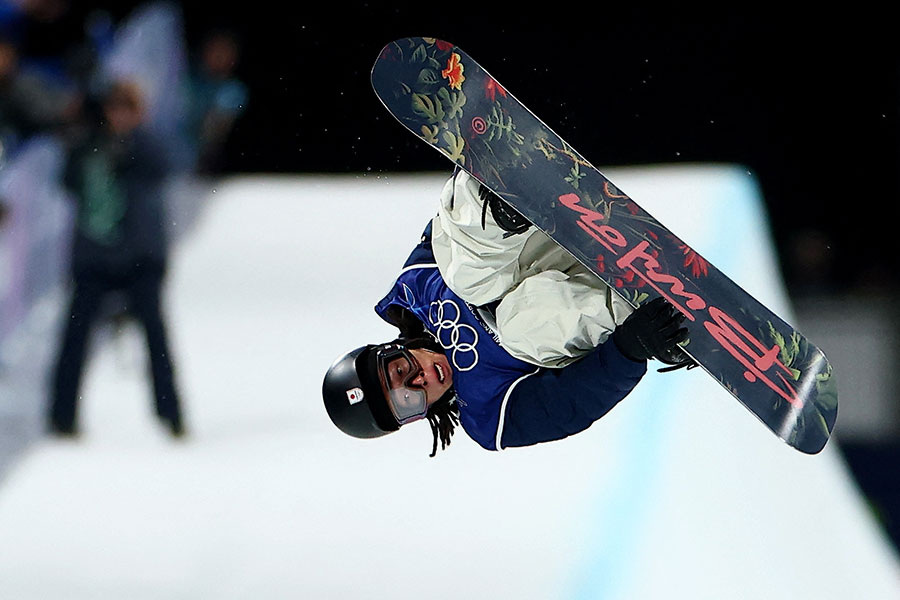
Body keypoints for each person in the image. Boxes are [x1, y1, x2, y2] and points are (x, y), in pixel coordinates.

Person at [323, 169, 693, 456]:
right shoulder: (488, 413)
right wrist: (630, 348)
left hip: (544, 229)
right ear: (418, 416)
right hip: (595, 292)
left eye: (401, 371)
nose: (420, 381)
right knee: (519, 329)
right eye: (409, 400)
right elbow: (568, 404)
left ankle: (500, 192)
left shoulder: (415, 286)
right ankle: (637, 306)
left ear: (393, 349)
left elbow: (446, 230)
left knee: (465, 277)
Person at [48, 79, 184, 438]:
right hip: (94, 257)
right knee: (74, 339)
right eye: (114, 109)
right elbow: (66, 179)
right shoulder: (87, 146)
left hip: (139, 257)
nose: (119, 116)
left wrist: (128, 144)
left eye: (127, 109)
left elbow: (163, 167)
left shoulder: (147, 143)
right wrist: (81, 132)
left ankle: (171, 414)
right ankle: (62, 417)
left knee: (156, 338)